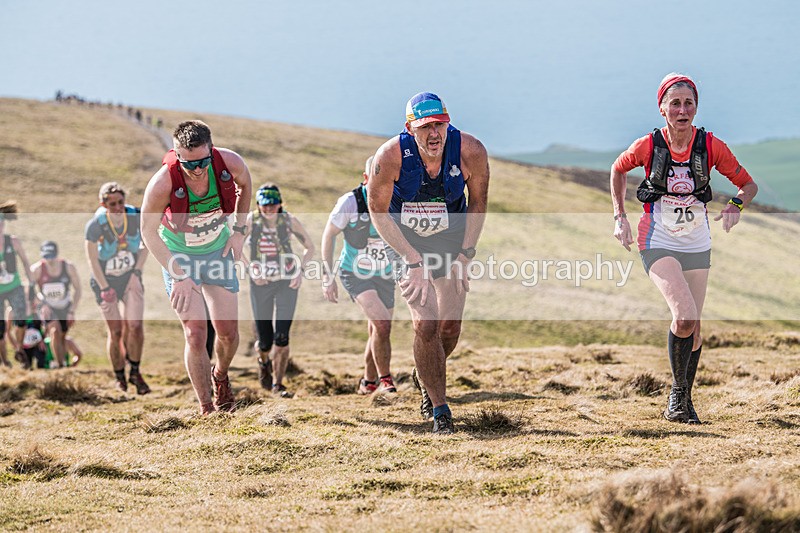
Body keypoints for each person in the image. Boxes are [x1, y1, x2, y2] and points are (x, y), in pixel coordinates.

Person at [610, 73, 758, 424]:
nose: (682, 109)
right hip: (656, 238)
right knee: (684, 316)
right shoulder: (648, 145)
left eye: (688, 103)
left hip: (697, 241)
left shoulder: (710, 147)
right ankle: (677, 399)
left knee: (695, 327)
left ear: (696, 108)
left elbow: (747, 185)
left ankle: (684, 402)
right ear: (662, 109)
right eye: (674, 103)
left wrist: (735, 206)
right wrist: (620, 217)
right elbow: (618, 170)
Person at [367, 92, 490, 434]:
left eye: (439, 125)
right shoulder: (390, 156)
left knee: (449, 327)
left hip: (451, 236)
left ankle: (426, 374)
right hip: (404, 238)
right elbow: (378, 212)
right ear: (410, 128)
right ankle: (440, 409)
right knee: (426, 323)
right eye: (425, 127)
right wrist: (412, 260)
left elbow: (478, 202)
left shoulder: (470, 151)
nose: (434, 134)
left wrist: (466, 254)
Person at [141, 120, 252, 415]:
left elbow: (246, 185)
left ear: (211, 150)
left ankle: (220, 376)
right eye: (189, 163)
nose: (198, 169)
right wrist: (177, 273)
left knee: (227, 332)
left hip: (217, 252)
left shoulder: (230, 163)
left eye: (203, 161)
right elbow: (148, 231)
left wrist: (239, 232)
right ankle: (206, 408)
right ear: (177, 155)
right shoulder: (163, 182)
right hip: (180, 256)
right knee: (195, 332)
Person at [322, 156, 397, 395]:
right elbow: (329, 235)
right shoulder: (350, 202)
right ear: (365, 179)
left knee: (378, 329)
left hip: (385, 273)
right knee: (382, 325)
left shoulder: (397, 199)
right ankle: (386, 380)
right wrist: (328, 275)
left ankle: (368, 381)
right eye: (376, 180)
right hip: (354, 272)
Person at [245, 183, 314, 397]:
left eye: (273, 205)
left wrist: (299, 271)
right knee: (264, 342)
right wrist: (252, 271)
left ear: (280, 203)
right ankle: (263, 361)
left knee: (282, 337)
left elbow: (309, 247)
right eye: (264, 205)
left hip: (286, 282)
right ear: (258, 205)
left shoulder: (289, 221)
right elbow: (235, 247)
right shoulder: (251, 221)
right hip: (261, 284)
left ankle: (278, 384)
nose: (269, 209)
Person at [85, 182, 151, 394]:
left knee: (136, 326)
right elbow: (92, 260)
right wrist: (105, 287)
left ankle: (135, 372)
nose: (117, 207)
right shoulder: (95, 225)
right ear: (103, 204)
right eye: (112, 204)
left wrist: (137, 272)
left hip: (130, 277)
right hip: (104, 280)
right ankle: (119, 376)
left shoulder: (135, 216)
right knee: (116, 331)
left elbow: (148, 242)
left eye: (120, 202)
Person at [31, 241, 81, 368]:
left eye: (52, 256)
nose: (50, 260)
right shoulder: (36, 269)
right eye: (46, 257)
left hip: (64, 306)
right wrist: (42, 305)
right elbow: (30, 291)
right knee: (54, 330)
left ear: (57, 254)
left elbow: (78, 290)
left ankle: (63, 361)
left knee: (62, 335)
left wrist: (71, 310)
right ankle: (60, 365)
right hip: (47, 306)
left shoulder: (68, 267)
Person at [0, 201, 34, 368]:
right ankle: (4, 362)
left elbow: (26, 263)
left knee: (21, 318)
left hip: (14, 287)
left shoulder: (12, 242)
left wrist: (31, 284)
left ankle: (19, 348)